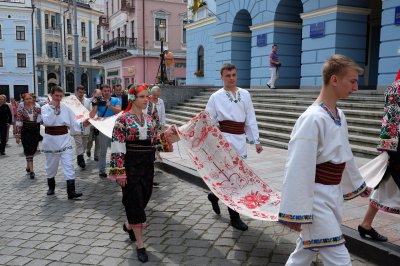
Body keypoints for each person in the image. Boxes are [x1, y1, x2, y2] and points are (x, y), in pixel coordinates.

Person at [278, 55, 372, 266]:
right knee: (339, 258)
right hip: (316, 199)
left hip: (333, 195)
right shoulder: (312, 118)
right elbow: (297, 167)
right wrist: (295, 210)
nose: (356, 88)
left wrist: (358, 184)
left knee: (304, 252)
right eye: (353, 81)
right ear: (334, 80)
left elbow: (344, 155)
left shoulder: (339, 115)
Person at [108, 83, 178, 262]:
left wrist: (169, 134)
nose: (146, 100)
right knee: (134, 200)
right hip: (130, 165)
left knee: (144, 197)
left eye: (147, 96)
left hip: (147, 165)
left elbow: (156, 142)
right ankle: (140, 244)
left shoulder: (150, 119)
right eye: (142, 97)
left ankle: (129, 225)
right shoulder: (122, 119)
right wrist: (119, 172)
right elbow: (117, 146)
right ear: (133, 99)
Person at [206, 63, 263, 231]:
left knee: (235, 177)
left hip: (240, 141)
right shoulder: (216, 97)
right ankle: (234, 217)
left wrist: (256, 140)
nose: (231, 78)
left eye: (233, 75)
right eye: (227, 75)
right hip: (224, 141)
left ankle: (214, 196)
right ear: (222, 77)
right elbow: (208, 119)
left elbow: (250, 117)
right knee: (233, 180)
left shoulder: (245, 94)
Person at [358, 76, 400, 242]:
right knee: (388, 184)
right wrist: (390, 150)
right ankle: (366, 224)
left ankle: (366, 223)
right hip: (398, 148)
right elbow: (390, 119)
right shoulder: (397, 87)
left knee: (386, 185)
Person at [41, 86, 88, 199]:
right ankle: (51, 186)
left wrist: (83, 124)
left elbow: (74, 123)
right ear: (51, 95)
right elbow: (48, 122)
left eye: (60, 96)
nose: (58, 98)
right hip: (51, 141)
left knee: (69, 165)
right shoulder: (45, 108)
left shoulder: (66, 108)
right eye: (56, 96)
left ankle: (71, 191)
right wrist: (55, 110)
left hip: (64, 139)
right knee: (51, 166)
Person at [89, 84, 121, 178]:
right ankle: (102, 171)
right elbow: (91, 115)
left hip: (115, 129)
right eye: (105, 91)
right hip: (103, 129)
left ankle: (116, 169)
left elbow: (119, 111)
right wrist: (95, 105)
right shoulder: (98, 100)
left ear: (111, 91)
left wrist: (110, 106)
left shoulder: (116, 100)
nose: (107, 92)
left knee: (116, 151)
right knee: (103, 151)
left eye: (108, 90)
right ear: (102, 92)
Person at [14, 93, 41, 179]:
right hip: (25, 131)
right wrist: (17, 136)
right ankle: (32, 171)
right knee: (28, 149)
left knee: (32, 150)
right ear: (23, 100)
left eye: (30, 98)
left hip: (34, 131)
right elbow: (18, 123)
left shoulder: (36, 109)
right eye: (27, 99)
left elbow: (42, 119)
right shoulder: (20, 111)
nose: (29, 100)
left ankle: (28, 166)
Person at [71, 85, 92, 169]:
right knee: (79, 143)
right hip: (76, 125)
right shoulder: (72, 101)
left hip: (86, 124)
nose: (81, 94)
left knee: (84, 144)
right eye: (80, 92)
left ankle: (80, 156)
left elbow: (90, 111)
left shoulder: (87, 101)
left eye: (83, 92)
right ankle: (81, 159)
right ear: (76, 91)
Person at [86, 89, 101, 161]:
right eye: (97, 96)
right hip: (90, 123)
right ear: (93, 94)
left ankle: (96, 155)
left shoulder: (101, 102)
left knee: (98, 140)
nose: (98, 97)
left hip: (98, 124)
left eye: (99, 96)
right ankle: (88, 149)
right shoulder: (88, 101)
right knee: (90, 140)